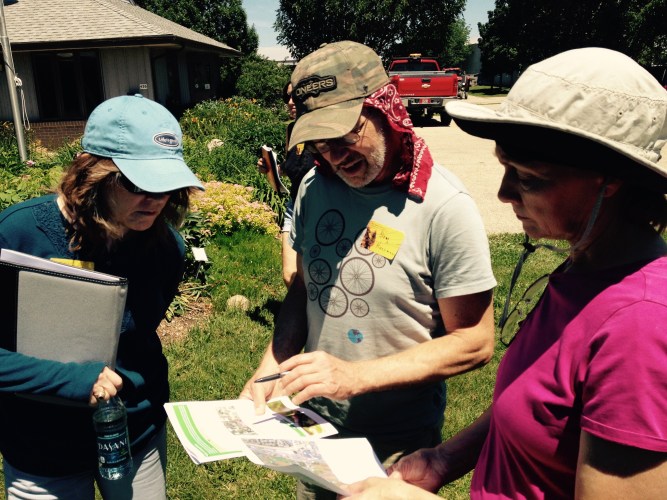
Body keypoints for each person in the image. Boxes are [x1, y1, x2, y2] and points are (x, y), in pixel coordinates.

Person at [346, 47, 667, 499]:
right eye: (504, 168)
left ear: (609, 180)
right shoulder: (586, 268)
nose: (503, 193)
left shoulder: (641, 325)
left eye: (529, 178)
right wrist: (446, 458)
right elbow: (535, 406)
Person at [240, 40, 497, 499]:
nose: (335, 156)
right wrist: (271, 367)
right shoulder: (314, 188)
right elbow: (304, 287)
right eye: (320, 141)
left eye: (346, 134)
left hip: (397, 448)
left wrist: (355, 376)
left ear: (387, 109)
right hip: (312, 428)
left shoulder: (444, 207)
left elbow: (475, 343)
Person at [0, 94, 204, 499]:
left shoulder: (167, 248)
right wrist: (72, 380)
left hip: (135, 436)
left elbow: (140, 336)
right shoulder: (17, 236)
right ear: (88, 171)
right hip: (42, 450)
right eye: (135, 183)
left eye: (166, 184)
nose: (156, 199)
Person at [258, 81, 316, 288]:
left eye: (296, 97)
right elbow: (292, 164)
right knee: (289, 275)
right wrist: (273, 168)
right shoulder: (292, 130)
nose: (290, 102)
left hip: (318, 206)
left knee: (310, 277)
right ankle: (304, 317)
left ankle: (312, 318)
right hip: (294, 205)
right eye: (287, 97)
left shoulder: (322, 131)